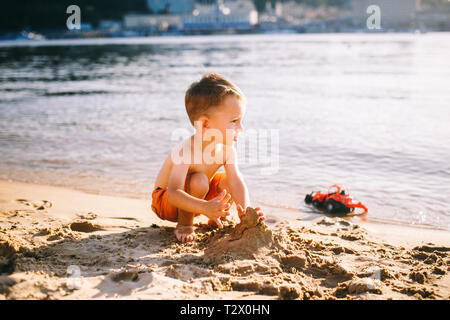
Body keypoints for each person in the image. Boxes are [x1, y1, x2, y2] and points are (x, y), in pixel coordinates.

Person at [151, 72, 265, 243]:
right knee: (199, 180)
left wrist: (246, 210)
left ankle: (216, 217)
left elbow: (236, 182)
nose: (241, 128)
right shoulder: (186, 151)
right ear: (205, 124)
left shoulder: (228, 149)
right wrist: (204, 206)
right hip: (167, 202)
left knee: (228, 180)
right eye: (234, 121)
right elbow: (174, 193)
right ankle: (185, 225)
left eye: (241, 121)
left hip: (198, 201)